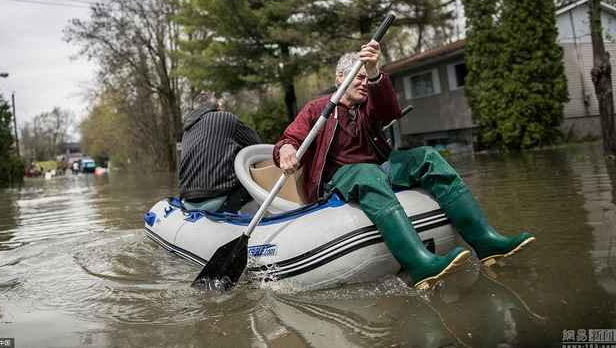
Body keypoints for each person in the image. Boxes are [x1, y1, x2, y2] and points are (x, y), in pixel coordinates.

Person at [273, 40, 535, 288]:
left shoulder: (368, 106)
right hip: (337, 181)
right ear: (341, 77)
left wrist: (376, 72)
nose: (365, 84)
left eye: (368, 79)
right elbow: (289, 139)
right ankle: (420, 265)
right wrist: (286, 150)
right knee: (367, 172)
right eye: (359, 77)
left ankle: (486, 242)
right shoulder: (316, 108)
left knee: (426, 156)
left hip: (378, 170)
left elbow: (389, 110)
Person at [179, 92, 261, 213]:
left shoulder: (187, 131)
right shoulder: (227, 118)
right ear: (219, 107)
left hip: (188, 203)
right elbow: (257, 147)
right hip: (218, 202)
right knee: (254, 173)